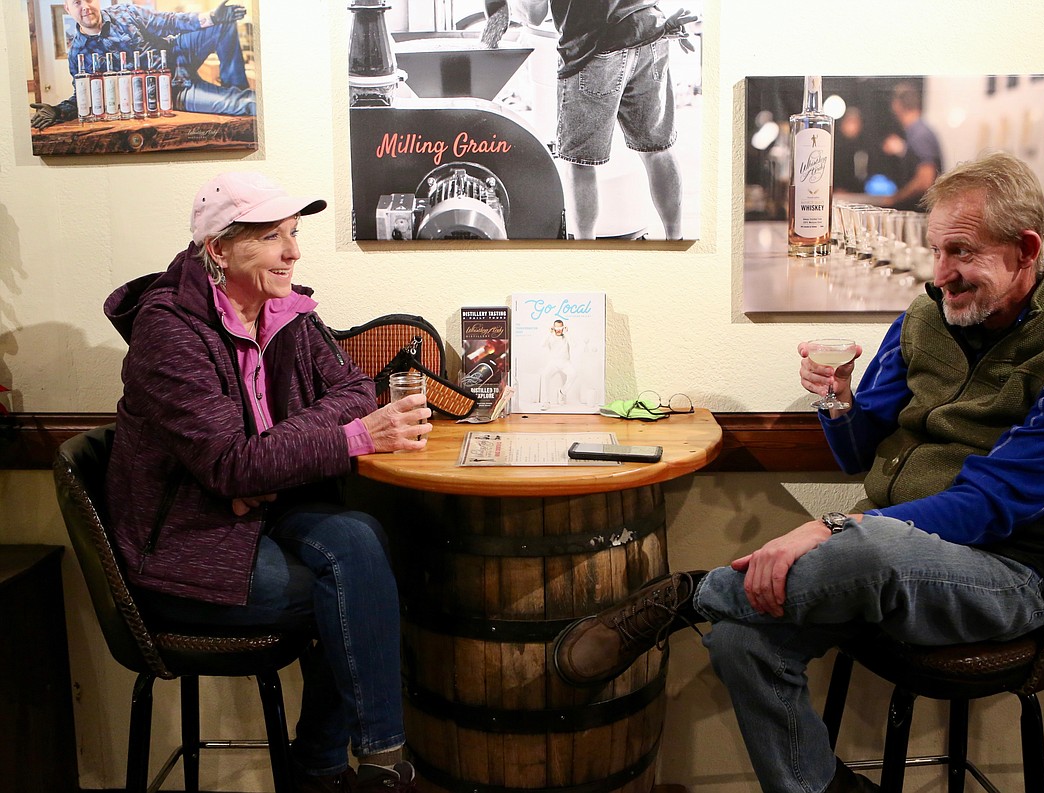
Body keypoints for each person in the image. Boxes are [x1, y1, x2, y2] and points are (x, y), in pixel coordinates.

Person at [550, 152, 1044, 793]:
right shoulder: (924, 318)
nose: (941, 273)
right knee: (739, 642)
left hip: (1001, 578)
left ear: (1025, 249)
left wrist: (835, 529)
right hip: (879, 556)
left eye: (961, 253)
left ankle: (686, 596)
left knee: (874, 544)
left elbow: (988, 505)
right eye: (936, 250)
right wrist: (836, 398)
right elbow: (858, 453)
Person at [103, 172, 431, 793]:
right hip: (186, 550)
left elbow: (355, 389)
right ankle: (359, 768)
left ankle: (344, 764)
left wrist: (270, 457)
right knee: (358, 587)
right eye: (271, 237)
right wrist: (345, 440)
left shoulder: (286, 313)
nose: (293, 252)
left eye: (293, 233)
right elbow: (230, 466)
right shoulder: (168, 331)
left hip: (259, 511)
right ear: (218, 251)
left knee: (360, 540)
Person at [509, 0, 697, 239]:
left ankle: (586, 253)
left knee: (580, 163)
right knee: (657, 150)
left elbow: (534, 14)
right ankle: (675, 242)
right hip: (650, 32)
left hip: (594, 46)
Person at [30, 0, 255, 130]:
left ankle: (233, 85)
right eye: (77, 2)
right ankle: (236, 98)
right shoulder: (78, 54)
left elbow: (169, 21)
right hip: (171, 92)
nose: (85, 6)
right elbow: (83, 96)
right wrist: (57, 111)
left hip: (179, 55)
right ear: (68, 9)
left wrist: (212, 17)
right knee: (243, 104)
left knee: (223, 23)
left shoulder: (125, 13)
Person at [878, 81, 942, 210]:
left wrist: (895, 198)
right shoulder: (917, 132)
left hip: (919, 216)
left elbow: (925, 181)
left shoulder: (920, 134)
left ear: (897, 105)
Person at [539, 319, 575, 405]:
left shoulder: (566, 337)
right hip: (554, 362)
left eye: (560, 327)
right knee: (545, 376)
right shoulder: (550, 337)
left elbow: (574, 345)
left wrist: (567, 333)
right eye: (556, 327)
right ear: (553, 328)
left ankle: (562, 391)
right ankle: (546, 401)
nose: (558, 330)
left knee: (574, 374)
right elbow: (542, 345)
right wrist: (549, 333)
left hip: (565, 362)